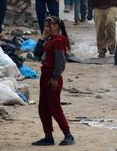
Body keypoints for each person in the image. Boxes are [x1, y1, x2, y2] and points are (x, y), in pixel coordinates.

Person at [32, 16, 75, 146]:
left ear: (56, 26)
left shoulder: (59, 41)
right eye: (44, 26)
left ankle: (68, 134)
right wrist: (42, 38)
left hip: (52, 77)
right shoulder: (50, 40)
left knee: (54, 107)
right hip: (45, 76)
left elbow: (61, 61)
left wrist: (55, 77)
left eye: (48, 26)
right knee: (43, 108)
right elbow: (37, 54)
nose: (45, 28)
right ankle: (48, 136)